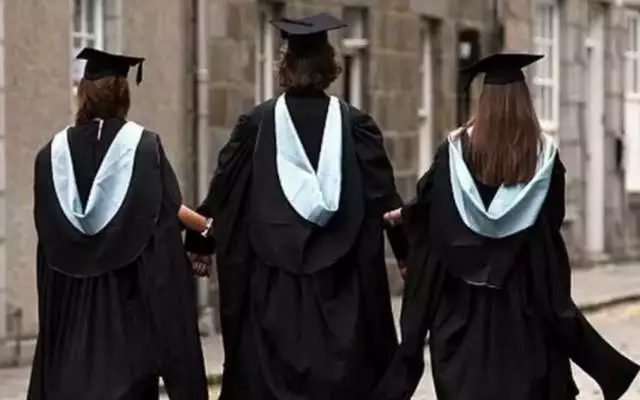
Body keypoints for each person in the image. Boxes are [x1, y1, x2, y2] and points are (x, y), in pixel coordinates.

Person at [374, 53, 640, 400]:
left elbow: (430, 215)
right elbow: (549, 234)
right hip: (525, 323)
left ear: (484, 102)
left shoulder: (452, 156)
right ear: (525, 101)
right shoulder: (544, 162)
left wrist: (404, 221)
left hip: (461, 327)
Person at [184, 12, 408, 399]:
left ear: (284, 67)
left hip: (273, 288)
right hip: (342, 287)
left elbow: (224, 190)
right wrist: (406, 254)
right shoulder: (357, 127)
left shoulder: (256, 126)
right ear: (330, 67)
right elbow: (385, 199)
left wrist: (201, 243)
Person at [28, 48, 208, 400]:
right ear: (124, 95)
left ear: (83, 92)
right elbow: (166, 223)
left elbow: (47, 250)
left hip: (68, 340)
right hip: (128, 338)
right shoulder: (144, 150)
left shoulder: (50, 156)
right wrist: (204, 236)